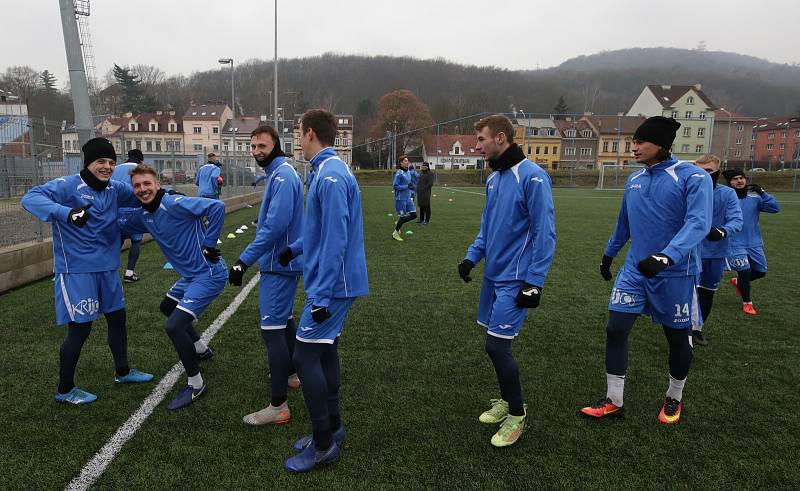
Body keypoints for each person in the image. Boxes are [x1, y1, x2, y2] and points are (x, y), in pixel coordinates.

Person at [582, 116, 712, 425]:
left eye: (640, 142)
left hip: (676, 273)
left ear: (661, 144)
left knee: (677, 338)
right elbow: (624, 223)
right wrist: (609, 253)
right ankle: (614, 400)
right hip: (636, 271)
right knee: (615, 329)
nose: (634, 147)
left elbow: (698, 223)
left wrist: (668, 257)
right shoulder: (635, 179)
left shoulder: (693, 177)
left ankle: (674, 397)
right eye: (634, 142)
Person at [21, 137, 153, 405]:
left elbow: (144, 195)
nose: (106, 167)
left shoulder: (115, 188)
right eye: (100, 162)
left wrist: (174, 200)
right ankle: (65, 389)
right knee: (80, 330)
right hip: (77, 272)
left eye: (111, 162)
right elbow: (30, 197)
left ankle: (123, 372)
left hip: (108, 269)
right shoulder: (68, 186)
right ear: (88, 163)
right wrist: (67, 213)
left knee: (117, 320)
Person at [458, 114, 556, 447]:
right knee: (496, 345)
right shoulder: (494, 179)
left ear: (501, 138)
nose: (477, 145)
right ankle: (505, 399)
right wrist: (472, 256)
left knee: (496, 346)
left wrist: (535, 281)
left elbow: (546, 233)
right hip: (493, 275)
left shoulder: (533, 177)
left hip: (517, 279)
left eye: (481, 139)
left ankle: (517, 414)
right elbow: (488, 227)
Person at [279, 109, 368, 473]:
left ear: (310, 133)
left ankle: (322, 445)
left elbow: (336, 238)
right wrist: (296, 248)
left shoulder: (330, 176)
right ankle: (333, 426)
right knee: (325, 351)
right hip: (334, 282)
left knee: (303, 357)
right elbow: (319, 230)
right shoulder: (327, 170)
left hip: (333, 286)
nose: (298, 140)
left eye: (299, 133)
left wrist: (321, 296)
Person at [122, 163, 227, 410]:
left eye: (147, 183)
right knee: (168, 306)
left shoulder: (174, 203)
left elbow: (217, 206)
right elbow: (121, 223)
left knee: (174, 326)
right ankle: (201, 349)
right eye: (137, 185)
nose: (142, 189)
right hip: (190, 276)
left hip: (208, 273)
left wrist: (209, 244)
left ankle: (196, 383)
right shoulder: (145, 215)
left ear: (158, 184)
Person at [228, 125, 304, 425]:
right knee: (284, 322)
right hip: (282, 263)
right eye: (253, 146)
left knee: (271, 331)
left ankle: (278, 407)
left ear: (276, 145)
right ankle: (293, 374)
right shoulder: (279, 174)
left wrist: (243, 261)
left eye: (263, 146)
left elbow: (275, 226)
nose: (257, 151)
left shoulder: (283, 176)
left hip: (279, 265)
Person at [691, 155, 742, 346]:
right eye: (699, 171)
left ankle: (697, 329)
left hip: (716, 253)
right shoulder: (687, 190)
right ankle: (684, 328)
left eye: (709, 171)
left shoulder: (727, 194)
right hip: (690, 252)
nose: (703, 175)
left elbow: (737, 220)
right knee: (689, 292)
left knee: (707, 292)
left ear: (718, 172)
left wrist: (722, 231)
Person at [722, 169, 780, 316]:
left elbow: (775, 208)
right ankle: (747, 303)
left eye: (741, 178)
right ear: (730, 183)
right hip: (734, 243)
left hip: (754, 242)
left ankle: (738, 282)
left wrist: (763, 193)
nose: (739, 181)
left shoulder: (754, 199)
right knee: (745, 272)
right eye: (735, 179)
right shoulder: (726, 198)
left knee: (761, 272)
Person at [112, 149, 145, 283]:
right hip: (133, 210)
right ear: (140, 159)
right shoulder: (141, 169)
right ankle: (129, 273)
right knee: (136, 241)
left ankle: (110, 272)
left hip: (115, 211)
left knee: (115, 243)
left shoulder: (114, 169)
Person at [391, 155, 417, 241]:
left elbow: (410, 184)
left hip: (408, 198)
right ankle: (395, 233)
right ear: (401, 163)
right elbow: (395, 186)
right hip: (400, 199)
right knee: (402, 217)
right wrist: (407, 186)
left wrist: (412, 189)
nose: (407, 162)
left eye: (407, 160)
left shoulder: (408, 172)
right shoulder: (399, 173)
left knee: (414, 215)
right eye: (405, 161)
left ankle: (399, 223)